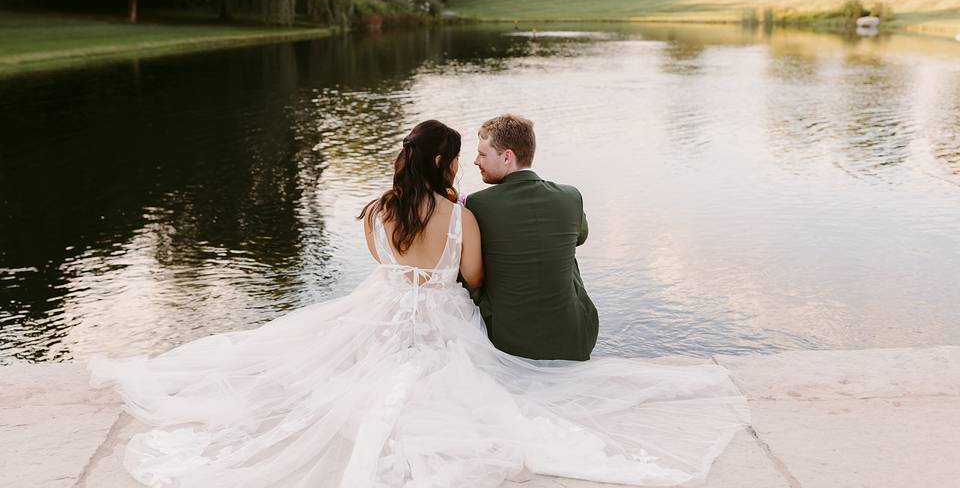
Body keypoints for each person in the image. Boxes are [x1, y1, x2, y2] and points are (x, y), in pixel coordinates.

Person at [90, 119, 749, 487]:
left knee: (337, 370)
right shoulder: (460, 213)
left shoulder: (374, 210)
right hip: (439, 314)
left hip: (383, 306)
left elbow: (383, 268)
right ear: (445, 162)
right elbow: (472, 277)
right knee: (462, 388)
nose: (466, 167)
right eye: (460, 158)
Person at [466, 114, 598, 360]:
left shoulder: (478, 204)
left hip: (507, 342)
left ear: (507, 157)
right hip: (574, 338)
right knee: (564, 254)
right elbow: (580, 237)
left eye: (482, 154)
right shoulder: (571, 197)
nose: (476, 161)